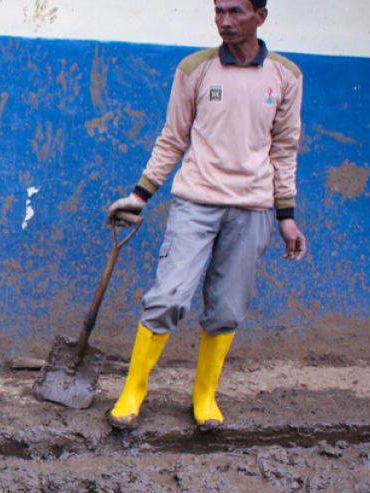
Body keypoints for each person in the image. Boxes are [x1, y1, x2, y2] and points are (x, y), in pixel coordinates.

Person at [104, 0, 305, 432]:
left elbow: (285, 149)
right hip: (195, 204)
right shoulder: (195, 68)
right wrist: (140, 196)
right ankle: (133, 392)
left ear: (260, 16)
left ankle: (204, 397)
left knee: (228, 308)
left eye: (236, 12)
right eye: (219, 12)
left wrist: (286, 214)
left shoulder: (286, 76)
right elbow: (172, 138)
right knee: (168, 297)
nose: (225, 22)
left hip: (253, 208)